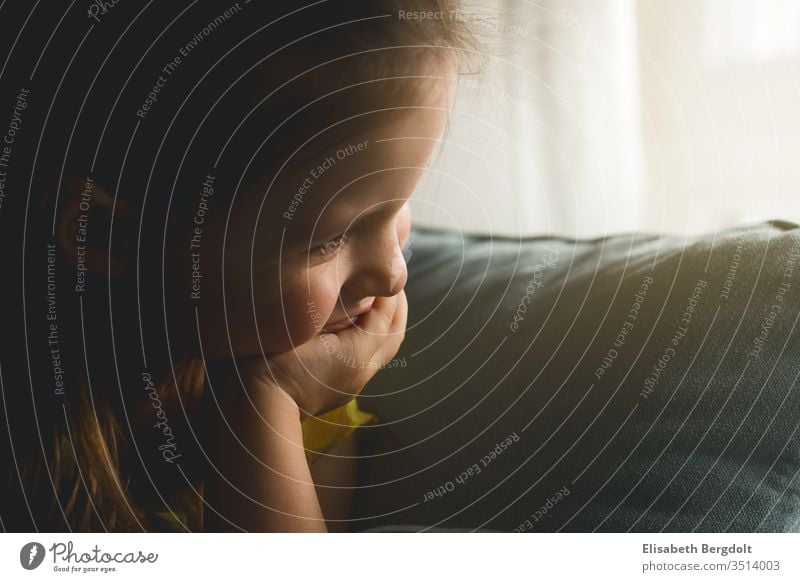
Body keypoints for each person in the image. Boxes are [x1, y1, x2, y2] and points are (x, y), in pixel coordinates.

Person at [0, 1, 475, 531]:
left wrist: (267, 401)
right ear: (104, 234)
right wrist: (272, 399)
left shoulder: (309, 380)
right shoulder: (31, 450)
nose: (393, 274)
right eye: (329, 238)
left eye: (397, 205)